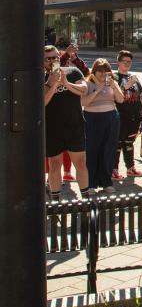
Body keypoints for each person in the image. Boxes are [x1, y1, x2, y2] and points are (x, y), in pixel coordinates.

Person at [44, 45, 90, 200]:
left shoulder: (72, 71)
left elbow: (84, 89)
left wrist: (66, 84)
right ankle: (56, 200)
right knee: (54, 165)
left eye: (55, 57)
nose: (52, 61)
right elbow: (42, 102)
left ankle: (85, 199)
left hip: (74, 125)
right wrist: (53, 84)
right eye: (48, 58)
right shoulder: (41, 76)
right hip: (52, 128)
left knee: (81, 163)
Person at [80, 58, 125, 193]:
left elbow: (121, 99)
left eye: (105, 71)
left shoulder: (112, 83)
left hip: (111, 117)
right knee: (92, 150)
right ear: (94, 72)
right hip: (92, 118)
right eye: (99, 71)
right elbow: (84, 103)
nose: (102, 74)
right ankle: (91, 183)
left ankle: (106, 181)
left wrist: (114, 86)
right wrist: (97, 90)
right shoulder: (87, 84)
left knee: (108, 150)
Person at [114, 51, 142, 179]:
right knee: (117, 143)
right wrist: (125, 87)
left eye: (129, 62)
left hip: (134, 116)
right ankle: (113, 169)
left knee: (129, 142)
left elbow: (140, 95)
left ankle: (130, 168)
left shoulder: (133, 77)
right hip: (120, 115)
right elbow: (113, 95)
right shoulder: (114, 77)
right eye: (124, 61)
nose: (127, 64)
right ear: (118, 62)